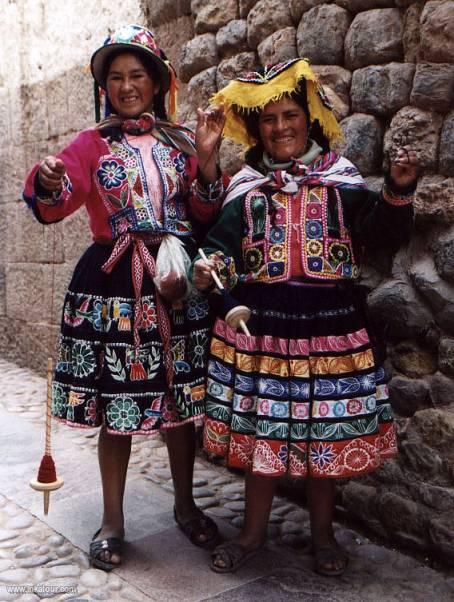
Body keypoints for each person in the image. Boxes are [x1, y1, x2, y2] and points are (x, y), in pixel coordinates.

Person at [192, 59, 419, 576]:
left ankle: (322, 536)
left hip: (330, 326)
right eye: (268, 120)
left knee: (324, 437)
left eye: (289, 115)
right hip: (263, 327)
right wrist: (211, 273)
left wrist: (397, 191)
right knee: (262, 436)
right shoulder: (247, 188)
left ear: (308, 118)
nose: (279, 128)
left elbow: (381, 235)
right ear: (257, 130)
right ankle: (251, 535)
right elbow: (220, 249)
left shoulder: (340, 182)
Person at [23, 24, 226, 571]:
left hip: (176, 284)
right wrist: (47, 181)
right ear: (104, 87)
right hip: (114, 285)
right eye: (115, 77)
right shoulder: (92, 143)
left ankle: (185, 505)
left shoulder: (183, 141)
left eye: (137, 74)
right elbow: (57, 198)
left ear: (157, 81)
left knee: (180, 405)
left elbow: (205, 212)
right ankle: (112, 521)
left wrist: (207, 161)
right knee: (118, 409)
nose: (127, 85)